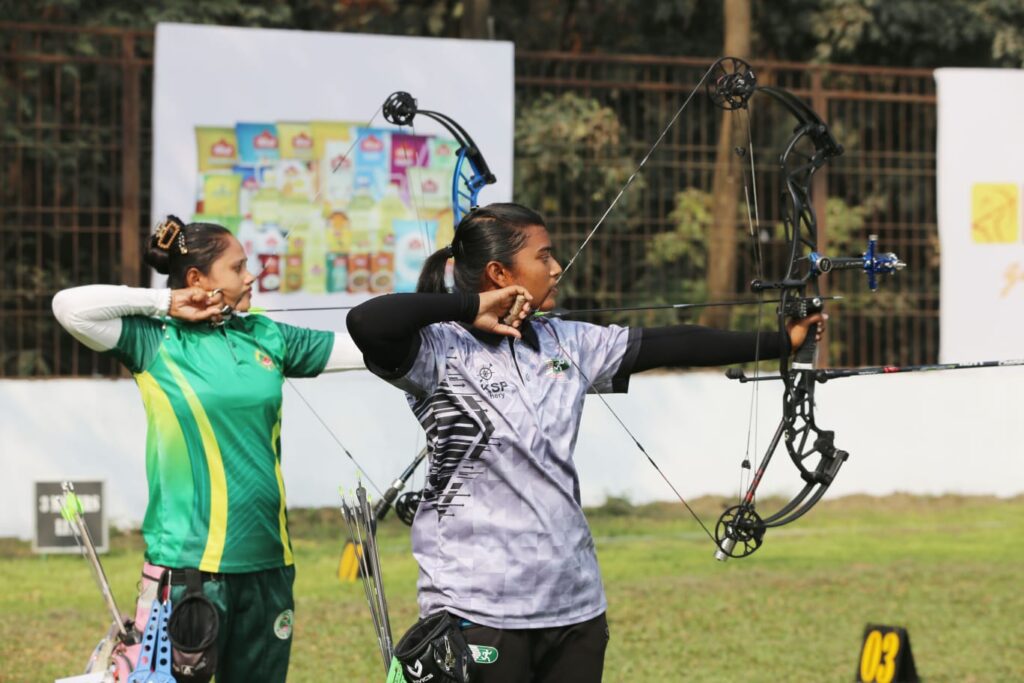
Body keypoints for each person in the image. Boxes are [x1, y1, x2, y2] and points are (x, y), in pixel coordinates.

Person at [346, 203, 823, 683]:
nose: (556, 268)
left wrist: (780, 342)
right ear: (498, 272)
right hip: (477, 605)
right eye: (544, 256)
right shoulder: (438, 351)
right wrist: (469, 306)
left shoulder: (568, 342)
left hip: (573, 604)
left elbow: (674, 342)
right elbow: (368, 322)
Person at [52, 216, 364, 683]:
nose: (250, 276)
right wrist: (165, 302)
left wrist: (459, 316)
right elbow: (68, 306)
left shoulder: (266, 335)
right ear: (197, 280)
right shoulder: (154, 340)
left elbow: (365, 348)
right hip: (189, 568)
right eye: (238, 268)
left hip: (269, 562)